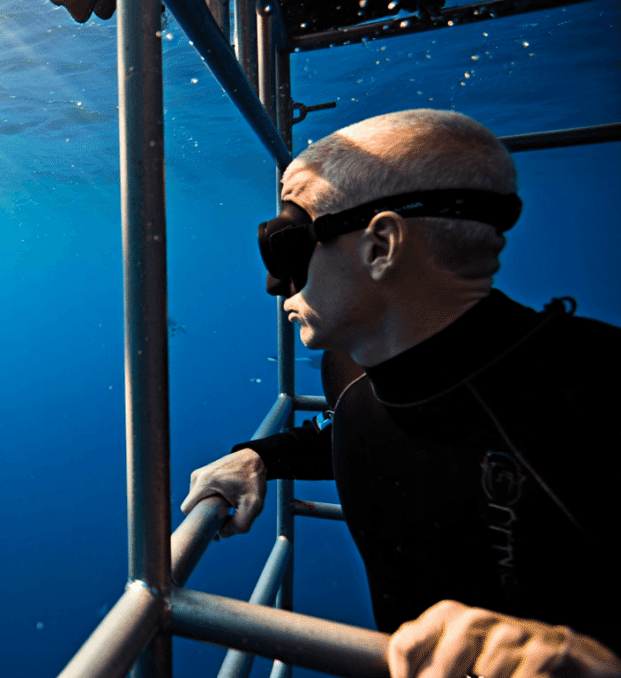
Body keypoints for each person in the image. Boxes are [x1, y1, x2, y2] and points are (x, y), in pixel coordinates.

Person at [179, 109, 621, 678]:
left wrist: (596, 661)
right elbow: (380, 434)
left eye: (286, 245)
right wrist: (260, 456)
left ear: (382, 245)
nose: (273, 284)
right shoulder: (361, 386)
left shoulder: (603, 391)